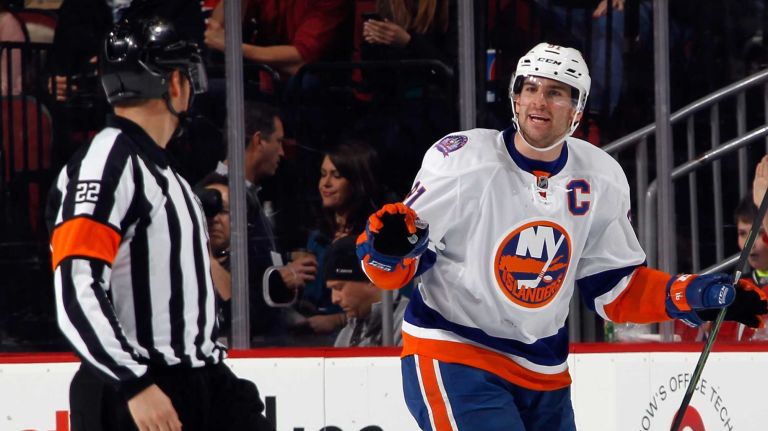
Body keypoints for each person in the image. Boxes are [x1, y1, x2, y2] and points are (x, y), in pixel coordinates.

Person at [355, 42, 768, 430]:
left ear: (577, 109)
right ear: (515, 98)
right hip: (454, 349)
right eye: (530, 88)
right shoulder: (464, 161)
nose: (539, 101)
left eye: (555, 93)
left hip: (544, 368)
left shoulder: (601, 176)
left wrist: (694, 295)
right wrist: (385, 251)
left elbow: (616, 289)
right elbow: (396, 269)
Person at [47, 16, 273, 431]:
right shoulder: (107, 164)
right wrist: (133, 383)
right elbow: (78, 285)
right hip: (138, 387)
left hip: (198, 377)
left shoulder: (164, 172)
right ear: (175, 83)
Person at [201, 100, 317, 343]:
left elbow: (249, 265)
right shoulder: (215, 198)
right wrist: (278, 281)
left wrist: (285, 261)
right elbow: (218, 276)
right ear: (258, 141)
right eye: (278, 141)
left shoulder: (246, 194)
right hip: (241, 343)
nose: (282, 152)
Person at [296, 141, 389, 338]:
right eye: (323, 174)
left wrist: (338, 320)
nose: (325, 183)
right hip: (310, 333)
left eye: (336, 176)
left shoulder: (378, 236)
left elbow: (388, 302)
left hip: (362, 334)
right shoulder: (317, 236)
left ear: (358, 182)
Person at [204, 0, 352, 77]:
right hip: (264, 79)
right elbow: (216, 33)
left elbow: (300, 61)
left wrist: (234, 47)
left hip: (315, 89)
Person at [324, 235, 408, 347]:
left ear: (371, 279)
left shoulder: (413, 323)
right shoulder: (349, 330)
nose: (334, 299)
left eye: (339, 288)